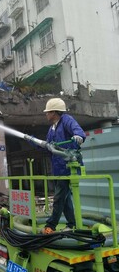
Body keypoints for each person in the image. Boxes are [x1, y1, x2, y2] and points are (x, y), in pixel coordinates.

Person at [41, 98, 86, 234]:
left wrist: (78, 136)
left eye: (48, 112)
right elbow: (48, 147)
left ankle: (51, 225)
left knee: (59, 196)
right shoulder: (51, 129)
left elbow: (78, 131)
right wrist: (36, 143)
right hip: (57, 168)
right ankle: (72, 223)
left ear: (54, 112)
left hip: (68, 167)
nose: (46, 115)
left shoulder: (66, 120)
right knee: (65, 198)